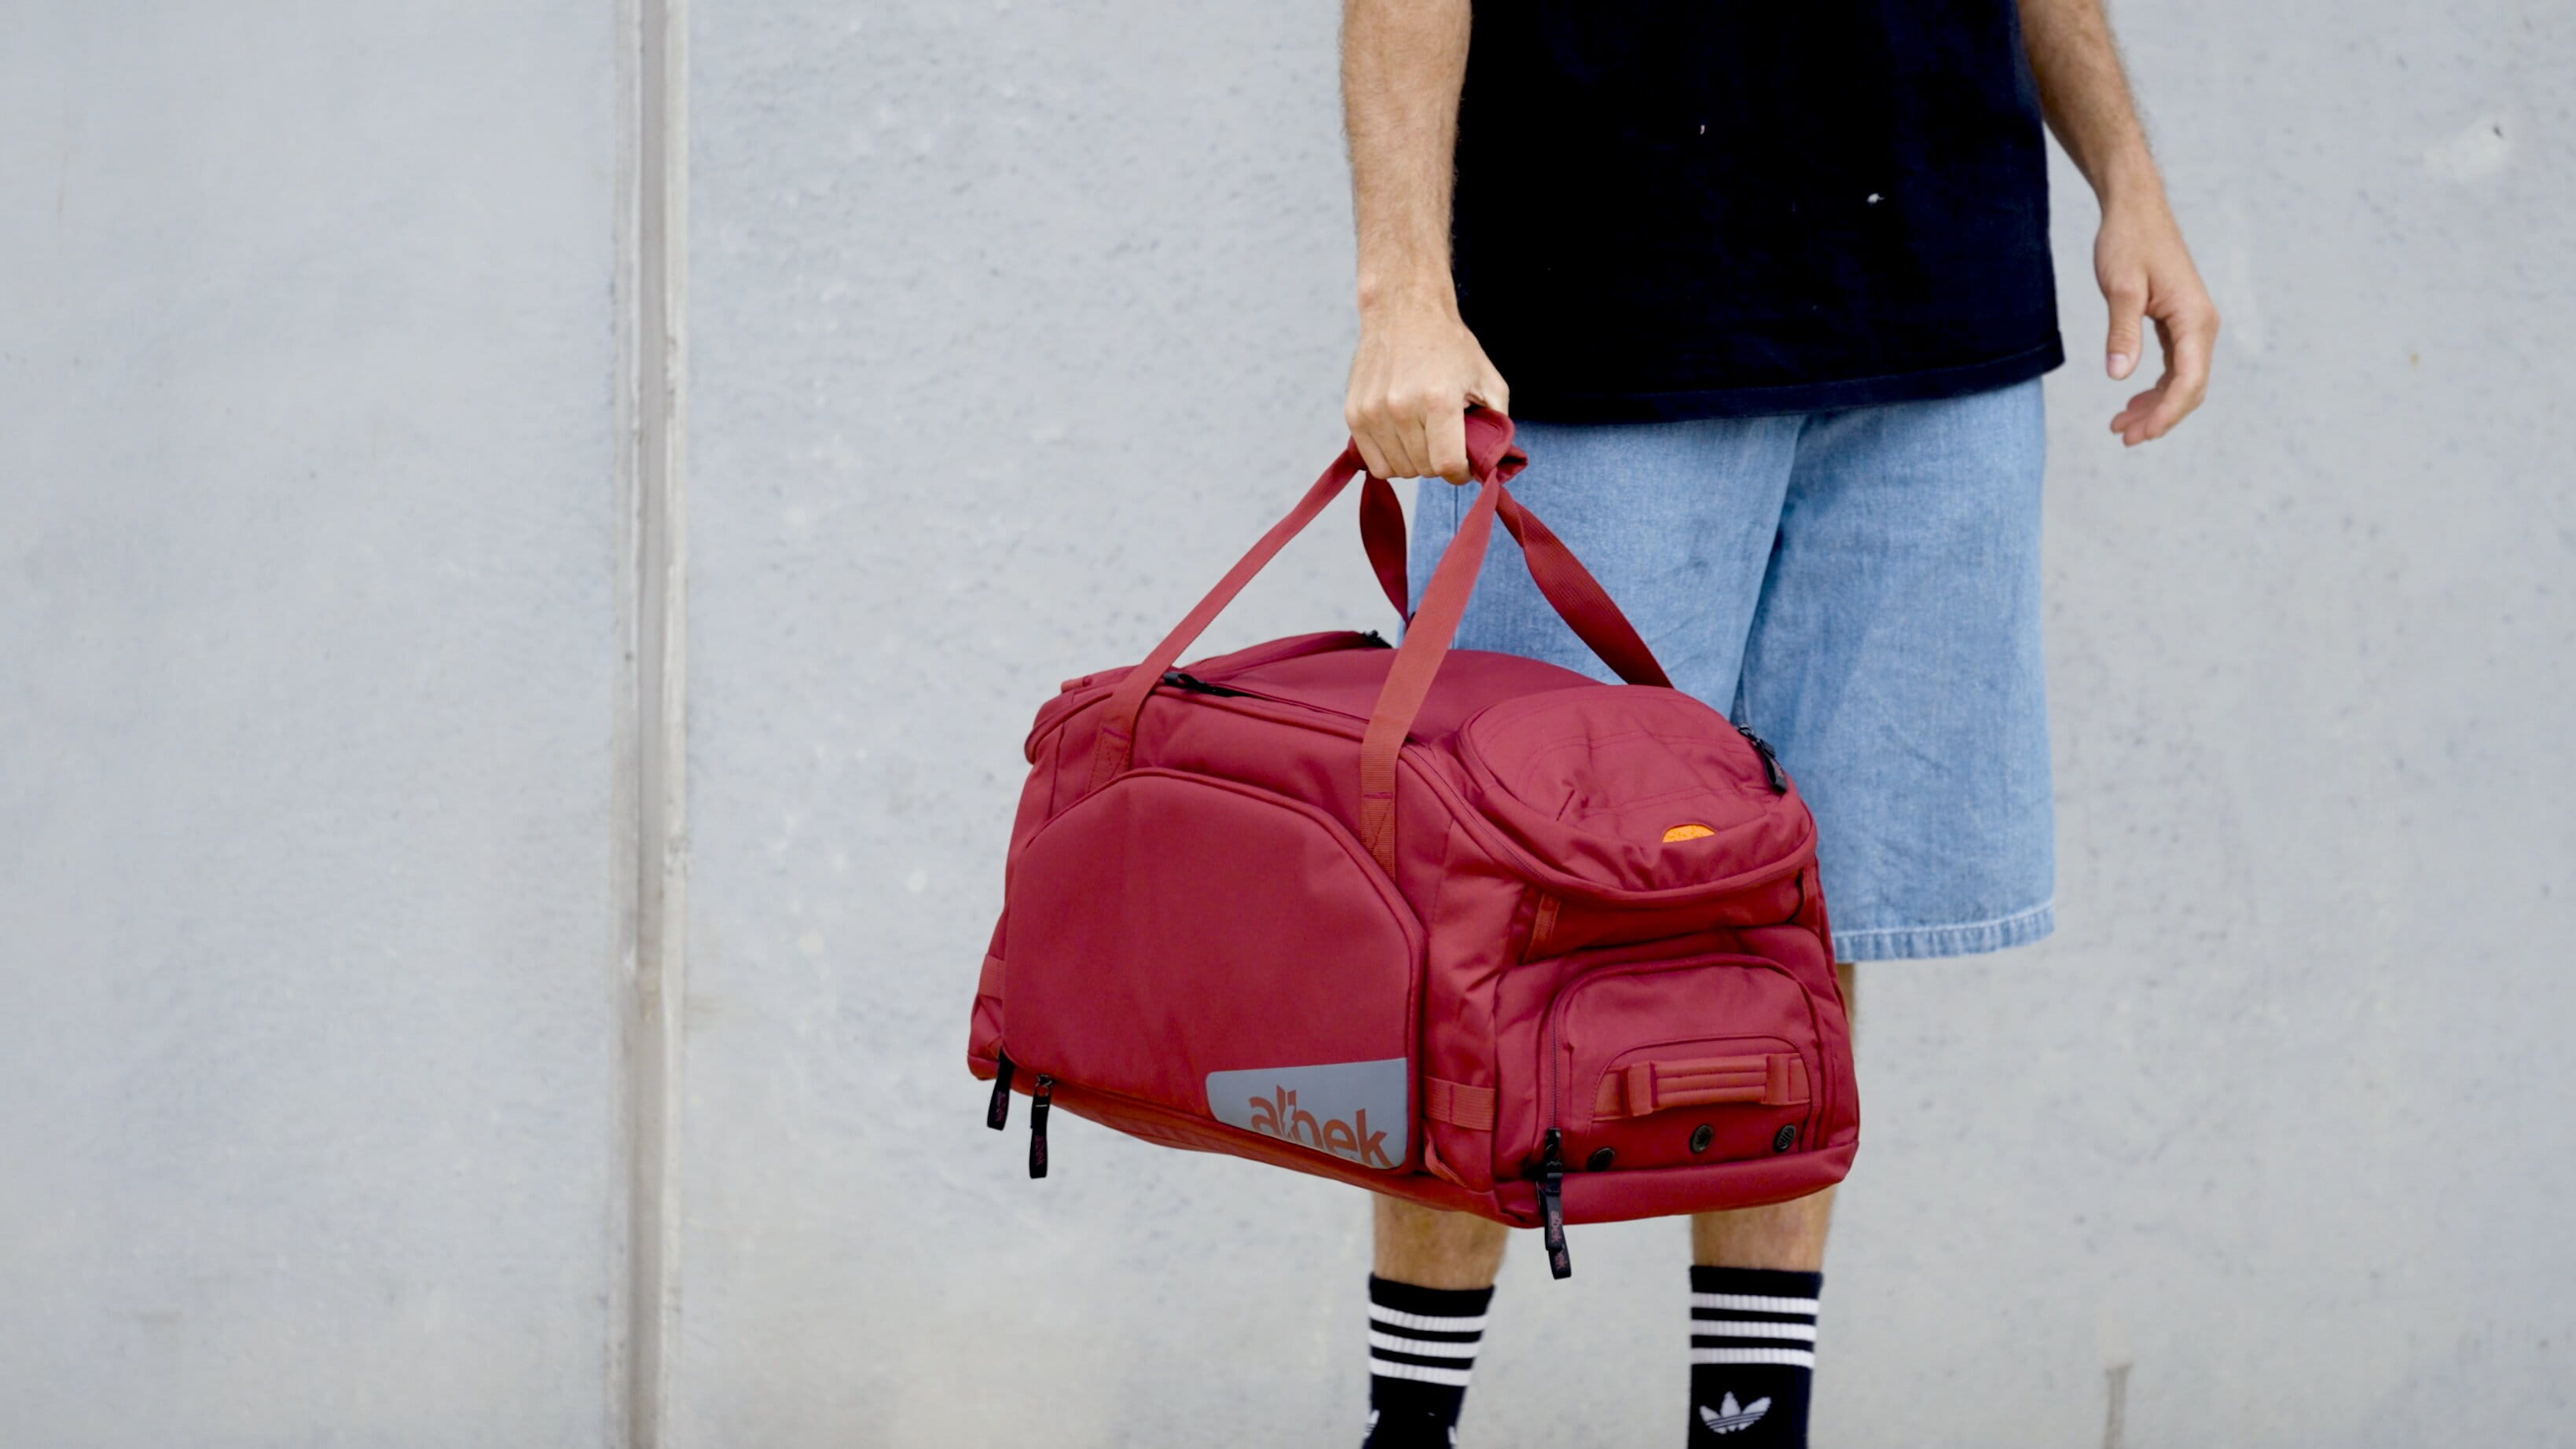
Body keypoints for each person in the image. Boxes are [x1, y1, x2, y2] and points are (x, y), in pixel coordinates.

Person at [1338, 0, 2218, 1444]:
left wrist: (2126, 174)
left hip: (1935, 300)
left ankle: (1750, 1428)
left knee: (1807, 917)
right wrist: (1401, 289)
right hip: (1600, 305)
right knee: (1490, 926)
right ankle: (1410, 1432)